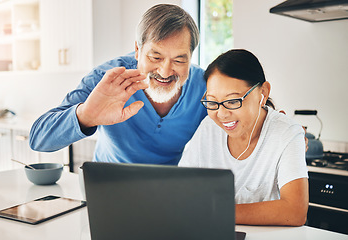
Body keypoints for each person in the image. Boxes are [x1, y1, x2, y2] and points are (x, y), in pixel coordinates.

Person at [29, 4, 207, 165]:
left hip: (166, 190)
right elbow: (38, 139)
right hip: (107, 187)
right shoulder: (106, 78)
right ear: (138, 50)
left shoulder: (203, 86)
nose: (165, 71)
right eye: (155, 57)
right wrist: (86, 116)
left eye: (179, 60)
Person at [178, 49, 309, 226]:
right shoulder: (208, 128)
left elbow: (295, 211)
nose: (222, 114)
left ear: (263, 92)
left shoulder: (287, 133)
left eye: (233, 101)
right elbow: (180, 192)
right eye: (212, 102)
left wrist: (214, 210)